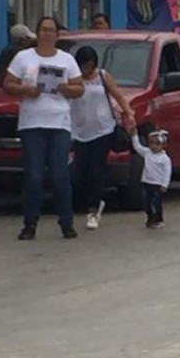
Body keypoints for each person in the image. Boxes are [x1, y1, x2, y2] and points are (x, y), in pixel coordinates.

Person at [2, 16, 85, 240]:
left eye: (51, 30)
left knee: (60, 175)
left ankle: (66, 222)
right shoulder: (23, 57)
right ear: (37, 33)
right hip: (32, 124)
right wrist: (24, 89)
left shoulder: (66, 60)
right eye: (43, 29)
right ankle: (30, 223)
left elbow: (79, 88)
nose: (47, 33)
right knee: (34, 175)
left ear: (57, 34)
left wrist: (66, 88)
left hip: (59, 124)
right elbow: (7, 83)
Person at [70, 45, 134, 230]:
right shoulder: (73, 79)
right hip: (80, 131)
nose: (86, 70)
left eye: (89, 66)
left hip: (103, 129)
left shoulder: (103, 77)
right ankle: (90, 202)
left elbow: (118, 96)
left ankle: (93, 208)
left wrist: (128, 113)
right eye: (83, 66)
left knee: (95, 170)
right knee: (79, 171)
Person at [128, 124, 172, 229]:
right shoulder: (147, 153)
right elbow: (137, 147)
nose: (153, 146)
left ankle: (158, 219)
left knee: (156, 202)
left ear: (163, 145)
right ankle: (150, 218)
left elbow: (167, 172)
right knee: (146, 202)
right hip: (147, 182)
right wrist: (134, 136)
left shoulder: (165, 159)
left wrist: (165, 184)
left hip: (158, 184)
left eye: (157, 144)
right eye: (151, 143)